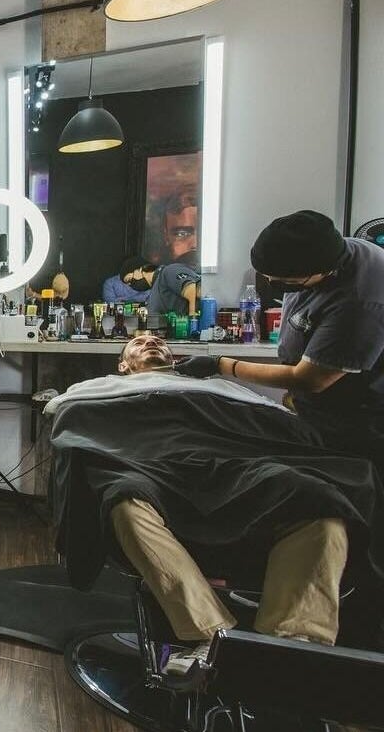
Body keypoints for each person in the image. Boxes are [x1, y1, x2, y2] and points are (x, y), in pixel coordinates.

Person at [47, 333, 382, 673]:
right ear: (122, 365)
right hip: (146, 464)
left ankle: (291, 650)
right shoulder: (97, 390)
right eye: (139, 343)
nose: (151, 343)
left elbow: (278, 429)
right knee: (124, 501)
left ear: (175, 360)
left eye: (159, 342)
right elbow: (76, 430)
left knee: (320, 504)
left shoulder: (223, 389)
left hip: (237, 464)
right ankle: (212, 636)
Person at [176, 211, 384, 464]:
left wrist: (222, 364)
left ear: (323, 271)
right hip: (316, 411)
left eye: (285, 282)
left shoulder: (361, 302)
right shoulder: (330, 251)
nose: (272, 283)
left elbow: (311, 379)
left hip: (359, 420)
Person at [121, 258, 200, 318]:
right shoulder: (154, 290)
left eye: (130, 279)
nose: (131, 284)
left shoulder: (167, 271)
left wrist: (192, 318)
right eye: (128, 284)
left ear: (140, 269)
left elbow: (192, 288)